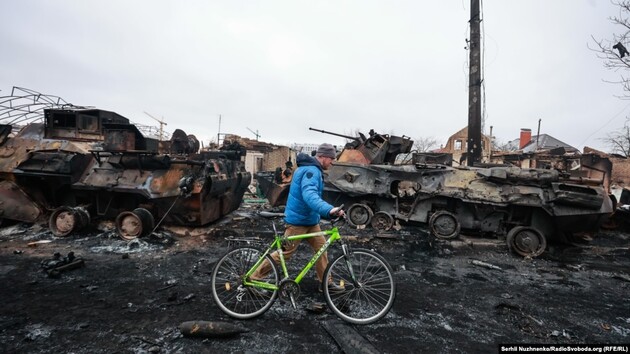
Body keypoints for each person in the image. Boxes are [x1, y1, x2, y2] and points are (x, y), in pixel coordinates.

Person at [251, 143, 345, 291]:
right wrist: (329, 210)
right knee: (284, 254)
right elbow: (310, 196)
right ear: (323, 157)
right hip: (298, 222)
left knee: (322, 249)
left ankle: (325, 283)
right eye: (332, 158)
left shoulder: (310, 169)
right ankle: (254, 279)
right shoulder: (311, 171)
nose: (333, 162)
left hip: (310, 221)